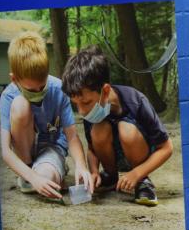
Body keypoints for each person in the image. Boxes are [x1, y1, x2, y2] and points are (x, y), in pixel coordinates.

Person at [61, 46, 173, 207]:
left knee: (126, 130)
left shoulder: (136, 101)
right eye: (76, 105)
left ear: (105, 91)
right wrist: (93, 171)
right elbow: (92, 149)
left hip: (139, 156)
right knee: (98, 130)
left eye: (85, 102)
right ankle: (110, 177)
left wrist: (136, 173)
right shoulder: (91, 110)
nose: (81, 111)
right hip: (112, 157)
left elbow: (167, 148)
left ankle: (142, 182)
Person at [0, 31, 92, 201]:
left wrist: (81, 165)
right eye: (31, 90)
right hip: (25, 151)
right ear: (14, 79)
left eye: (42, 86)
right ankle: (27, 172)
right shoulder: (8, 96)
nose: (38, 93)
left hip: (51, 147)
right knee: (20, 105)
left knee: (47, 181)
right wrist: (33, 178)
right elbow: (5, 152)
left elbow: (71, 136)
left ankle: (49, 170)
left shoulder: (58, 89)